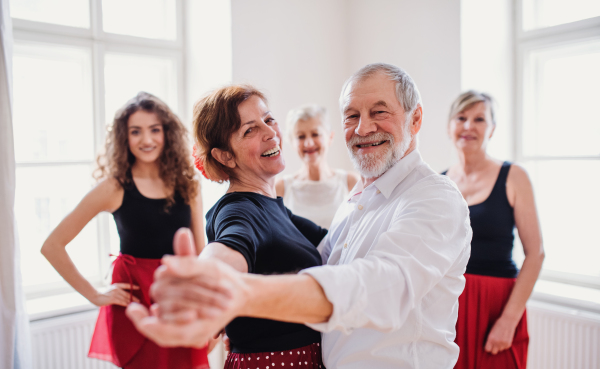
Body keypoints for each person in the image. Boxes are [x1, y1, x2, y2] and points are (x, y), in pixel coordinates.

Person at [127, 63, 473, 369]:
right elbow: (233, 246)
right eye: (352, 115)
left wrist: (240, 296)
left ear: (416, 119)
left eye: (380, 112)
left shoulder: (433, 196)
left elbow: (382, 285)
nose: (364, 128)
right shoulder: (356, 199)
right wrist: (212, 290)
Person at [40, 92, 209, 369]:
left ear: (167, 133)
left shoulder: (188, 183)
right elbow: (52, 245)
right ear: (124, 137)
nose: (147, 139)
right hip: (134, 303)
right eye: (136, 131)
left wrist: (207, 313)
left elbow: (200, 253)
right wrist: (95, 295)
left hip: (180, 298)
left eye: (155, 130)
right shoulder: (114, 187)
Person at [169, 85, 328, 368]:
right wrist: (201, 281)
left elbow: (343, 240)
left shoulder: (276, 208)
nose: (270, 133)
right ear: (225, 156)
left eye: (268, 120)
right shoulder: (239, 210)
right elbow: (226, 251)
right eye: (249, 130)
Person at [442, 91, 544, 369]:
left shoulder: (514, 176)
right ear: (449, 126)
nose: (468, 126)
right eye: (461, 117)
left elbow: (536, 254)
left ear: (493, 128)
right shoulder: (437, 183)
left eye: (479, 119)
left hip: (497, 305)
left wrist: (509, 320)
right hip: (447, 306)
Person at [275, 104, 359, 228]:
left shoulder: (351, 183)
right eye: (301, 137)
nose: (309, 143)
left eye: (315, 134)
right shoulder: (280, 189)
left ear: (330, 137)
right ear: (292, 142)